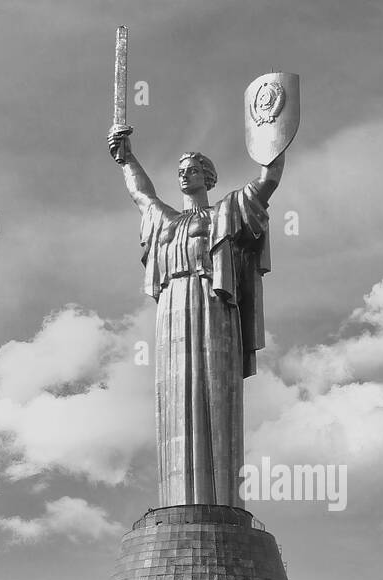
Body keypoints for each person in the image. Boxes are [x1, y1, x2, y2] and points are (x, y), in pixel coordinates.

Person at [108, 123, 284, 507]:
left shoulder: (226, 211)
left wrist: (274, 135)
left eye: (192, 169)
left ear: (209, 177)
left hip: (214, 300)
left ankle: (221, 503)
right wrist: (127, 157)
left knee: (215, 389)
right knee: (176, 395)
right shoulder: (165, 221)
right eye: (181, 171)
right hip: (172, 305)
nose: (185, 174)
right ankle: (179, 501)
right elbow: (141, 193)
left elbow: (268, 182)